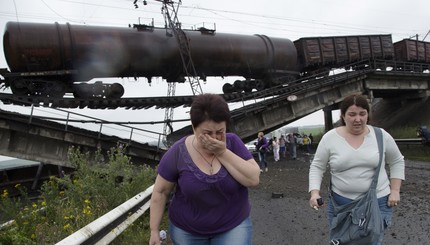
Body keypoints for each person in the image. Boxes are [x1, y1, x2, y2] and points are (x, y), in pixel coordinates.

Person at [149, 94, 260, 245]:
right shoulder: (177, 152)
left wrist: (222, 152)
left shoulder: (233, 143)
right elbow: (160, 191)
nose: (214, 138)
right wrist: (154, 230)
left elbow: (253, 179)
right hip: (187, 230)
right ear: (194, 128)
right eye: (207, 133)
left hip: (233, 225)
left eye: (220, 132)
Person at [308, 94, 405, 245]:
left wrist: (395, 190)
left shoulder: (381, 136)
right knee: (342, 241)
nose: (357, 119)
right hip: (342, 204)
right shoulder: (330, 138)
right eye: (352, 114)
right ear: (343, 116)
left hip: (377, 202)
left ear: (368, 114)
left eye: (362, 114)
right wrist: (314, 192)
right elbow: (317, 166)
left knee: (372, 241)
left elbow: (397, 161)